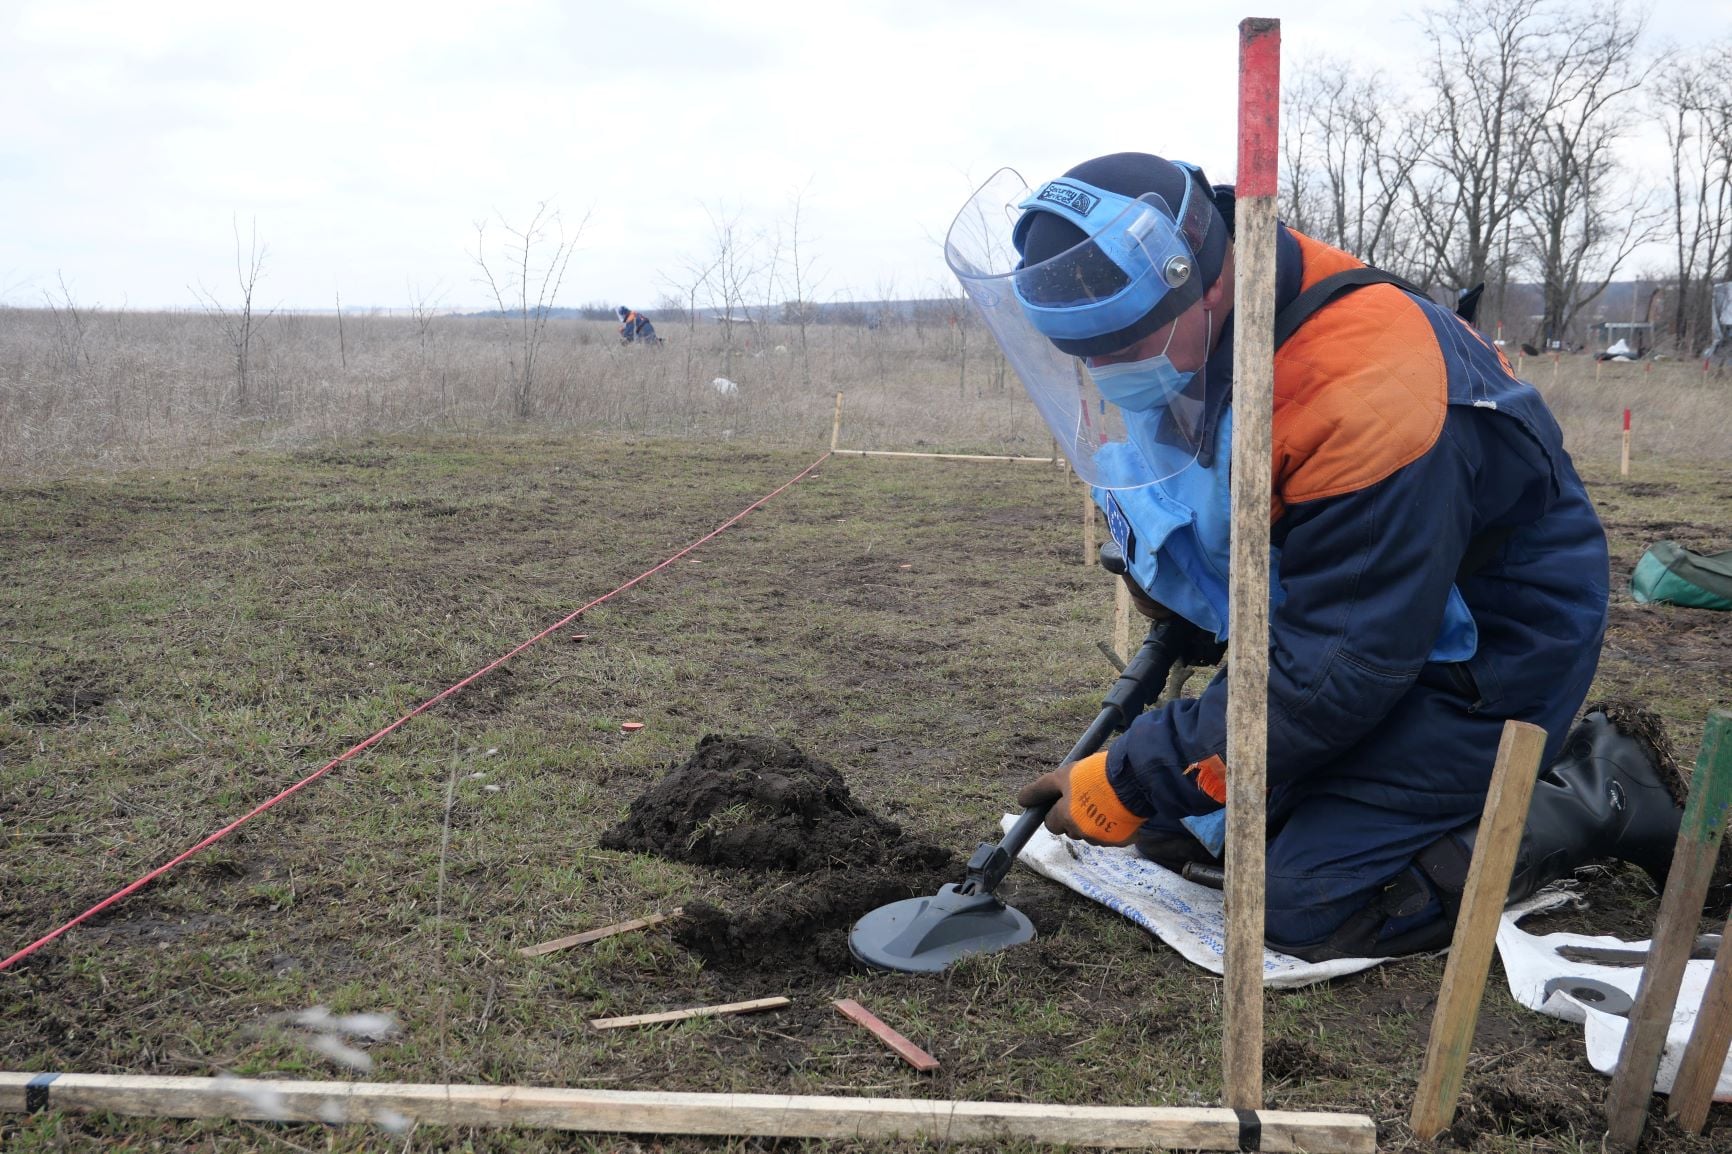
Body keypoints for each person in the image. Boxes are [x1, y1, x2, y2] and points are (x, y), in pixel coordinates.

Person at [944, 152, 1684, 960]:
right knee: (1180, 836)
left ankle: (1594, 793)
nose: (1104, 369)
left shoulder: (1366, 386)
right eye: (1085, 353)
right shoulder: (1213, 337)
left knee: (1303, 904)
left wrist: (1127, 773)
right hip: (1358, 619)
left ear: (1208, 281)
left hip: (1487, 651)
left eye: (1123, 344)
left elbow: (1341, 670)